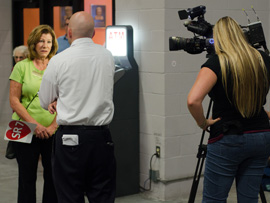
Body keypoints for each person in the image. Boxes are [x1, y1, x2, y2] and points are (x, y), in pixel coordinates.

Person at [187, 16, 270, 202]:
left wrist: (203, 122)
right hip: (261, 136)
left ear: (219, 38)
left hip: (228, 137)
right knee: (249, 199)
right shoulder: (262, 58)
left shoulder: (217, 63)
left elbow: (193, 101)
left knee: (214, 199)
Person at [39, 11, 116, 203]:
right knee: (102, 196)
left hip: (69, 140)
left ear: (69, 32)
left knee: (69, 196)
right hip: (101, 138)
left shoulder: (59, 60)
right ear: (93, 34)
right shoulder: (108, 57)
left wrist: (59, 99)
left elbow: (44, 100)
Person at [9, 24, 58, 203]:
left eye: (48, 42)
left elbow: (66, 98)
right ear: (33, 43)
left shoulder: (57, 66)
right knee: (27, 178)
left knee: (53, 177)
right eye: (41, 41)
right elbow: (14, 100)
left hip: (53, 130)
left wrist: (52, 126)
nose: (45, 45)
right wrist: (35, 125)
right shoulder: (21, 67)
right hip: (24, 128)